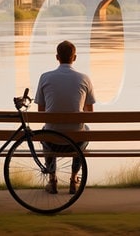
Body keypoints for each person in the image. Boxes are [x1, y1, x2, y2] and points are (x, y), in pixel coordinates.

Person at [34, 40, 96, 194]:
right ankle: (74, 179)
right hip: (75, 143)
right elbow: (90, 114)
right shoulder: (84, 79)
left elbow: (41, 112)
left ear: (57, 57)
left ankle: (52, 179)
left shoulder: (45, 77)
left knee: (46, 130)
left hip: (52, 142)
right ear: (74, 58)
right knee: (84, 129)